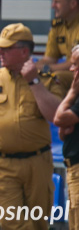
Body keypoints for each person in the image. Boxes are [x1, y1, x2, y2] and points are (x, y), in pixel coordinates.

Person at [0, 24, 65, 230]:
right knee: (12, 222)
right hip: (4, 165)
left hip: (38, 164)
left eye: (6, 48)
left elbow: (55, 116)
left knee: (40, 224)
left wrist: (34, 82)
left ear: (24, 51)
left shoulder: (46, 81)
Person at [54, 45, 79, 230]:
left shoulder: (76, 95)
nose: (71, 69)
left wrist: (71, 92)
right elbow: (63, 131)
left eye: (76, 65)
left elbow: (59, 118)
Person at [37, 0, 79, 85]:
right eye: (53, 1)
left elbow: (77, 63)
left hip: (76, 72)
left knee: (56, 78)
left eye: (57, 2)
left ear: (73, 4)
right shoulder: (58, 26)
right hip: (71, 72)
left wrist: (48, 69)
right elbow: (49, 58)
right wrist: (34, 68)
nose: (52, 6)